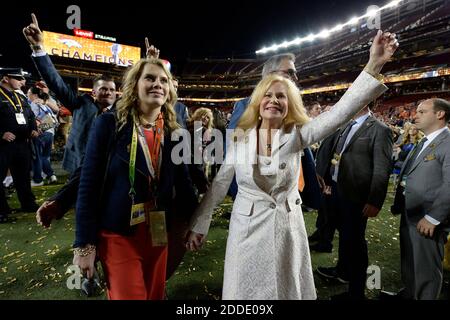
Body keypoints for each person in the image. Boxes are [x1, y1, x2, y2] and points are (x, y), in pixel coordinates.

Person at [186, 30, 398, 300]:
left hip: (287, 229)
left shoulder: (298, 136)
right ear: (258, 101)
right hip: (246, 230)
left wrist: (374, 64)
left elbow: (340, 113)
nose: (274, 100)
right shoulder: (240, 139)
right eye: (268, 95)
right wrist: (199, 224)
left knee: (286, 290)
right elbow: (219, 185)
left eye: (281, 97)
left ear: (290, 105)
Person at [73, 58, 197, 300]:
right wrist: (84, 244)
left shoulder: (174, 130)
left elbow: (183, 183)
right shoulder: (109, 123)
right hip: (119, 233)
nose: (157, 84)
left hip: (159, 231)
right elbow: (88, 184)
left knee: (155, 295)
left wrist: (196, 223)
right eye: (149, 78)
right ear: (134, 85)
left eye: (163, 80)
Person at [23, 13, 118, 226]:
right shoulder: (80, 103)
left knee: (105, 206)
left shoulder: (121, 111)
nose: (108, 92)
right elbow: (55, 82)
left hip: (109, 166)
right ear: (93, 92)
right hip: (80, 163)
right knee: (82, 203)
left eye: (112, 89)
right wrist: (39, 48)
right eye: (103, 88)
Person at [315, 103, 394, 299]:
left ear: (364, 100)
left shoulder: (379, 129)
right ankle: (343, 272)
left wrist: (375, 200)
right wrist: (327, 180)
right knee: (344, 236)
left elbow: (381, 168)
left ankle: (356, 292)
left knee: (355, 242)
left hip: (357, 196)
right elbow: (335, 155)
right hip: (337, 191)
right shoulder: (345, 125)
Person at [227, 53, 322, 210]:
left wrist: (308, 172)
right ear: (270, 75)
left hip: (290, 198)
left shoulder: (291, 107)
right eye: (290, 72)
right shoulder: (245, 106)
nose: (296, 78)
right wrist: (242, 197)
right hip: (259, 202)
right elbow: (232, 156)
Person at [389, 98, 450, 300]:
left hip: (428, 219)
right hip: (411, 213)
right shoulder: (425, 140)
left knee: (426, 269)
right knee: (410, 261)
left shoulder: (447, 143)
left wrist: (434, 217)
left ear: (439, 114)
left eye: (422, 112)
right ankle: (410, 294)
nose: (415, 116)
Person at [0, 68, 39, 223]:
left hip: (22, 143)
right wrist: (1, 133)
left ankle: (28, 203)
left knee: (23, 176)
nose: (22, 81)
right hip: (3, 145)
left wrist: (33, 129)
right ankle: (1, 210)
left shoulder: (19, 96)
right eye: (17, 78)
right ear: (5, 78)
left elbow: (30, 116)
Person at [27, 86, 59, 186]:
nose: (28, 95)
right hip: (50, 131)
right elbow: (56, 111)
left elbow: (31, 118)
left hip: (41, 131)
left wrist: (36, 129)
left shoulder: (33, 103)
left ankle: (38, 180)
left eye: (29, 93)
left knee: (37, 156)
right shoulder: (44, 103)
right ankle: (51, 175)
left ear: (35, 94)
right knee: (45, 156)